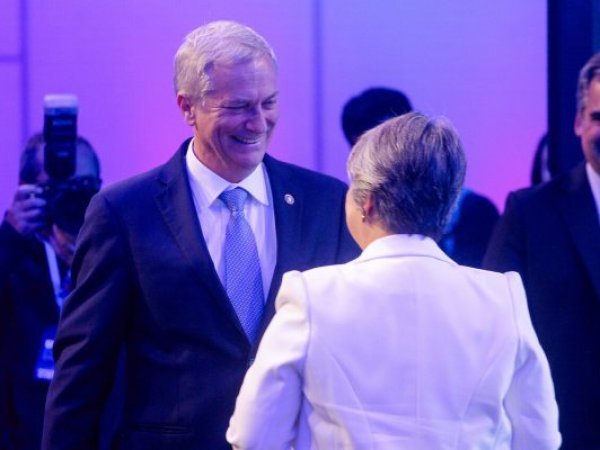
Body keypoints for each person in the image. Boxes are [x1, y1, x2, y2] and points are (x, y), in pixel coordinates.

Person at [42, 20, 359, 450]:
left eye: (269, 102)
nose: (258, 122)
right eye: (238, 106)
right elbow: (81, 371)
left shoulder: (325, 203)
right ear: (187, 107)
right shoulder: (123, 213)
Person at [227, 112, 561, 449]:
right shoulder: (500, 298)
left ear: (367, 203)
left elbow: (255, 436)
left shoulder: (313, 296)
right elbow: (540, 438)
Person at [483, 52, 600, 448]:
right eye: (599, 117)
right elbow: (494, 324)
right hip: (562, 433)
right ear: (579, 122)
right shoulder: (530, 213)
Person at [0, 133, 101, 449]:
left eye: (83, 186)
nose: (73, 198)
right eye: (58, 187)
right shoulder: (12, 259)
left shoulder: (116, 256)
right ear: (27, 191)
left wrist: (89, 263)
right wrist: (10, 239)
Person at [341, 87, 499, 267]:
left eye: (389, 140)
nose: (381, 152)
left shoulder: (472, 209)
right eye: (367, 145)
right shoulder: (349, 211)